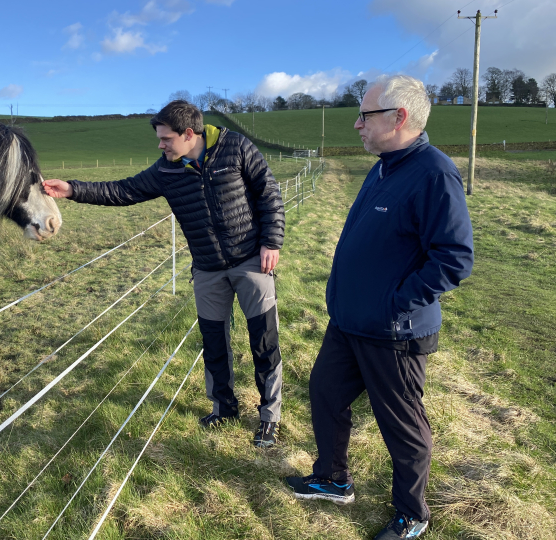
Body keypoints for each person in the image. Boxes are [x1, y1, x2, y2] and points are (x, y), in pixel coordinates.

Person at [285, 75, 473, 539]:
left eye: (365, 115)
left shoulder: (434, 172)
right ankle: (332, 478)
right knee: (325, 393)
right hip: (349, 321)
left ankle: (412, 514)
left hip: (393, 331)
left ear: (399, 117)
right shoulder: (383, 166)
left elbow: (454, 258)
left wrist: (396, 302)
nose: (357, 125)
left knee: (403, 425)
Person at [43, 100, 285, 447]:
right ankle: (224, 408)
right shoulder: (166, 171)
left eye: (166, 139)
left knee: (263, 341)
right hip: (206, 269)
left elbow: (268, 192)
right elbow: (122, 190)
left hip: (252, 261)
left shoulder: (236, 147)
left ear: (190, 134)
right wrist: (72, 189)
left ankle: (269, 417)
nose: (161, 146)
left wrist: (271, 242)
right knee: (214, 344)